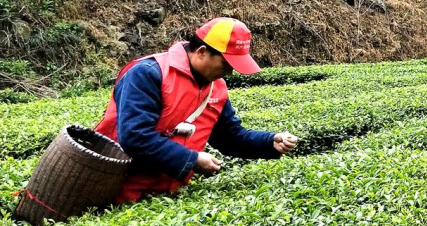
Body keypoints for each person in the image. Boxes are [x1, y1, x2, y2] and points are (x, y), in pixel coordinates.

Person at [95, 17, 299, 204]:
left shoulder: (216, 87)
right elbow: (135, 136)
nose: (230, 72)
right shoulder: (148, 73)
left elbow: (231, 138)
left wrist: (270, 141)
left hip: (167, 195)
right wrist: (192, 159)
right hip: (117, 190)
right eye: (226, 64)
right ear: (202, 52)